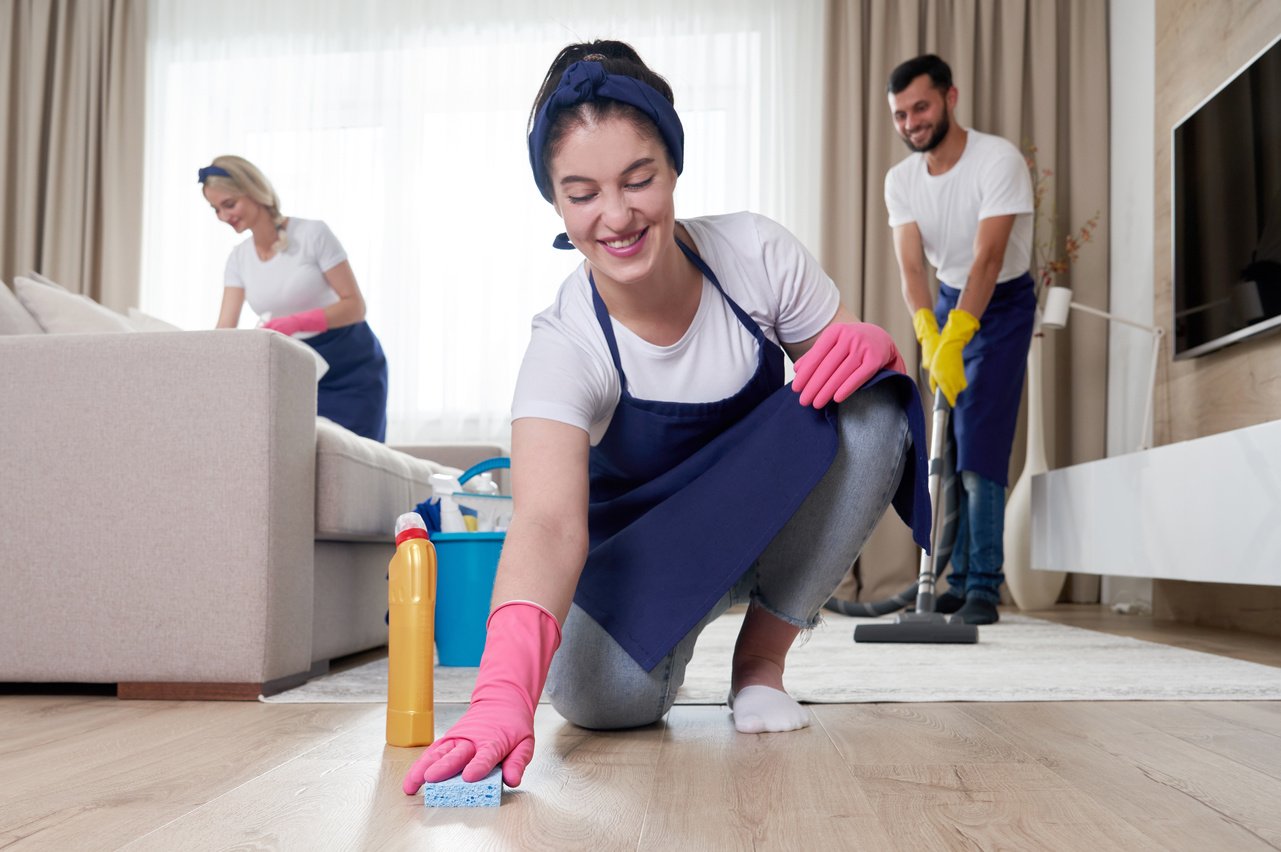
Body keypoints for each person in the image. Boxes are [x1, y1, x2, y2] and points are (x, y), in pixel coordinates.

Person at [402, 40, 930, 796]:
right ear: (554, 201)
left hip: (768, 516)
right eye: (581, 193)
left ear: (673, 167)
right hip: (648, 555)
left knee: (877, 407)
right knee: (598, 701)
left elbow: (854, 405)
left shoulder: (753, 254)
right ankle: (669, 641)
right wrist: (500, 697)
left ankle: (760, 663)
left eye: (638, 179)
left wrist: (879, 350)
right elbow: (547, 524)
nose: (615, 216)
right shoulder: (565, 342)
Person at [884, 54, 1037, 625]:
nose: (910, 123)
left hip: (1001, 303)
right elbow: (911, 270)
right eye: (900, 114)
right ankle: (956, 576)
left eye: (920, 107)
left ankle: (984, 586)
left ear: (950, 98)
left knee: (981, 443)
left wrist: (961, 333)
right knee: (947, 446)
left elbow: (989, 260)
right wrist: (929, 329)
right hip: (946, 302)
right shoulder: (901, 180)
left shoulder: (997, 160)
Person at [198, 155, 389, 442]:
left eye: (229, 204)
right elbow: (225, 326)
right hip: (301, 373)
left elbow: (355, 306)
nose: (224, 216)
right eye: (215, 209)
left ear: (254, 192)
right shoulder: (238, 259)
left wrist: (295, 322)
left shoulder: (313, 234)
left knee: (356, 463)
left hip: (352, 367)